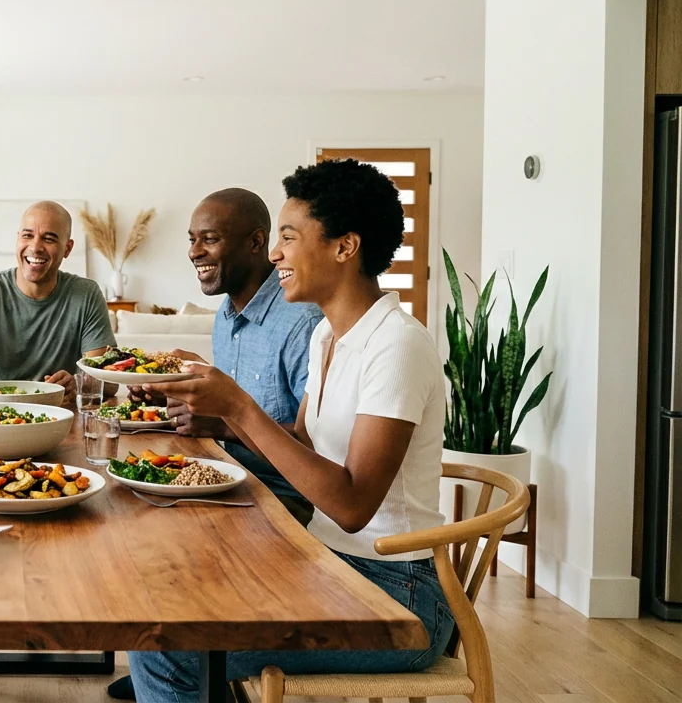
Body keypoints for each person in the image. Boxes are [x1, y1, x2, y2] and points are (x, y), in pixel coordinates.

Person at [128, 160, 454, 700]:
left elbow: (352, 508)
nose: (275, 253)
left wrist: (237, 406)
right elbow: (301, 445)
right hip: (327, 562)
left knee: (166, 646)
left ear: (344, 247)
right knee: (167, 595)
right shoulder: (329, 335)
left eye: (287, 237)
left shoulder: (398, 347)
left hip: (398, 594)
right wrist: (215, 407)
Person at [105, 188, 321, 702]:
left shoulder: (303, 324)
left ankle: (175, 668)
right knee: (123, 521)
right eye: (192, 239)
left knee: (153, 541)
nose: (194, 251)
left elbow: (313, 449)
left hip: (282, 500)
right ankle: (174, 670)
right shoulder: (227, 314)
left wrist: (220, 422)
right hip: (231, 478)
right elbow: (228, 403)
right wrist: (174, 388)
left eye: (210, 239)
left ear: (255, 244)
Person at [0, 201, 116, 398]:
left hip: (56, 416)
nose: (36, 247)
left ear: (67, 248)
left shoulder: (86, 294)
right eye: (28, 235)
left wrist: (78, 382)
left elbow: (109, 379)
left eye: (49, 238)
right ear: (18, 239)